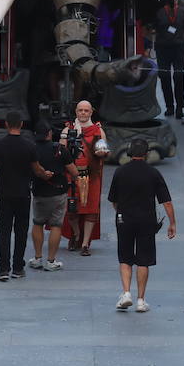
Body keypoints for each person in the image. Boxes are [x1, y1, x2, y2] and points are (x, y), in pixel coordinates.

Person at [107, 137, 175, 313]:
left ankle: (126, 293)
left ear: (130, 153)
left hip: (124, 219)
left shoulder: (120, 172)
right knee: (143, 260)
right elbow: (166, 201)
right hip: (146, 220)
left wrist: (120, 210)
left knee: (125, 257)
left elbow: (113, 200)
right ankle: (141, 300)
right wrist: (172, 223)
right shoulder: (153, 173)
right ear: (146, 154)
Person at [0, 111, 34, 281]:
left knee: (4, 231)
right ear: (21, 124)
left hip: (4, 194)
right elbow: (36, 169)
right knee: (21, 231)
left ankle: (4, 268)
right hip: (23, 194)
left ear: (6, 124)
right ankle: (18, 267)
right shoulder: (29, 146)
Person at [27, 123, 79, 272]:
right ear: (49, 134)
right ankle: (51, 260)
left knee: (38, 222)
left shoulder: (32, 149)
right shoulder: (59, 149)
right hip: (58, 192)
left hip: (38, 191)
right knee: (56, 225)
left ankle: (37, 258)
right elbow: (74, 172)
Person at [62, 101, 109, 256]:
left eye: (86, 111)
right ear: (76, 111)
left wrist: (102, 153)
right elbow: (61, 152)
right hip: (72, 175)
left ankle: (84, 244)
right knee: (72, 210)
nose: (83, 113)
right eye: (80, 110)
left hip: (92, 176)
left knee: (91, 211)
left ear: (91, 112)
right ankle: (75, 234)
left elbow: (103, 149)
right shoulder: (67, 129)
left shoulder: (98, 131)